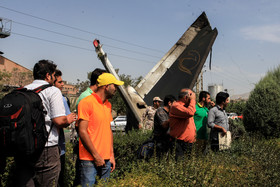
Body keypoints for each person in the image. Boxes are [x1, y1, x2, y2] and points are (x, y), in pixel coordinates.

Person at [15, 60, 76, 187]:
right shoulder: (52, 91)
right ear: (48, 75)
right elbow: (59, 121)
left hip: (23, 146)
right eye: (54, 75)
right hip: (46, 148)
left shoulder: (23, 89)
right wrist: (68, 119)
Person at [77, 73, 124, 186]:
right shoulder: (86, 102)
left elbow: (108, 130)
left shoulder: (108, 105)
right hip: (89, 159)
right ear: (106, 86)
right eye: (115, 86)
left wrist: (111, 155)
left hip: (106, 160)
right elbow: (82, 132)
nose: (116, 89)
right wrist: (96, 156)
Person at [73, 68, 106, 186]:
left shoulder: (99, 99)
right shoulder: (86, 98)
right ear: (99, 82)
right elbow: (82, 129)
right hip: (87, 151)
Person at [54, 69, 72, 187]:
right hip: (57, 148)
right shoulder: (60, 98)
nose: (62, 85)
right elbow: (66, 121)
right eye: (60, 82)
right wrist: (69, 119)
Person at [169, 88, 196, 160]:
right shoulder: (176, 106)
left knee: (187, 166)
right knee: (180, 166)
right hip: (179, 143)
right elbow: (190, 113)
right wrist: (193, 100)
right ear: (186, 97)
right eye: (191, 96)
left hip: (188, 143)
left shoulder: (188, 107)